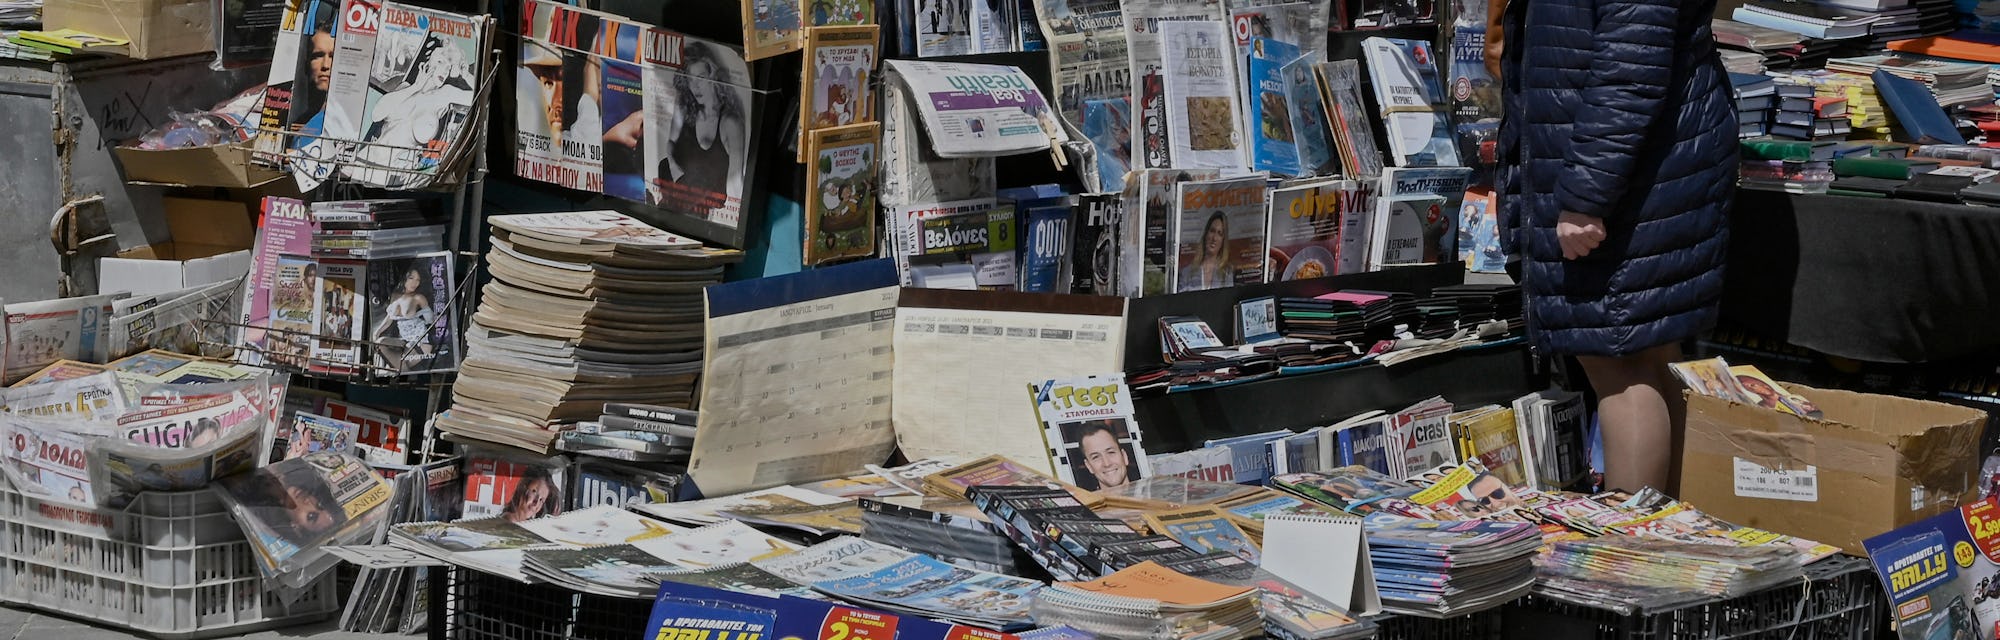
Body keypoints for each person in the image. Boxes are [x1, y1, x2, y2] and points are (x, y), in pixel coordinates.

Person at [1497, 0, 1735, 494]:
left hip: (1629, 180)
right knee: (1644, 357)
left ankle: (1631, 553)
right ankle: (1660, 541)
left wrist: (1587, 196)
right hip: (1639, 170)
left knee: (1620, 366)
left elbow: (1629, 70)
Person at [1178, 212, 1233, 292]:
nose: (1214, 238)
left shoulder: (1227, 273)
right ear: (1206, 234)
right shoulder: (1187, 272)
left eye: (1219, 234)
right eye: (1212, 231)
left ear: (1223, 241)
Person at [1072, 421, 1133, 490]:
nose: (1107, 463)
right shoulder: (1088, 501)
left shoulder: (1147, 496)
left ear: (1124, 456)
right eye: (1096, 457)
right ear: (1089, 466)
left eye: (1111, 452)